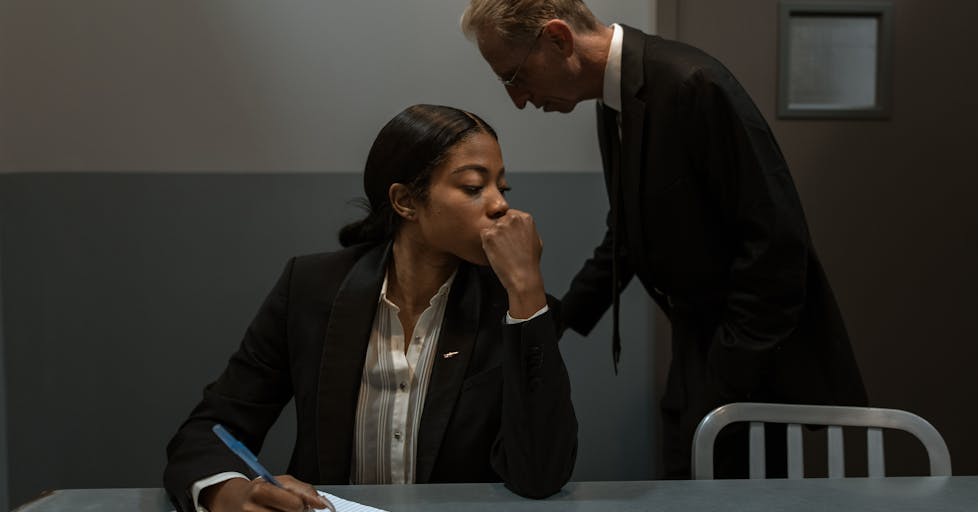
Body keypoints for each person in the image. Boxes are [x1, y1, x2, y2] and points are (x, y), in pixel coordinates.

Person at [461, 0, 868, 478]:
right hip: (700, 343)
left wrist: (728, 372)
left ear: (558, 39)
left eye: (514, 77)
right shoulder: (615, 98)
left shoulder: (692, 84)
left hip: (745, 354)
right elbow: (628, 232)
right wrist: (559, 318)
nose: (518, 99)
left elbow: (778, 243)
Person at [164, 104, 578, 512]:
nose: (499, 205)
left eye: (501, 188)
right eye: (473, 187)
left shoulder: (516, 309)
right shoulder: (311, 289)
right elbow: (209, 431)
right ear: (405, 202)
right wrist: (231, 494)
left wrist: (525, 290)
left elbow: (540, 475)